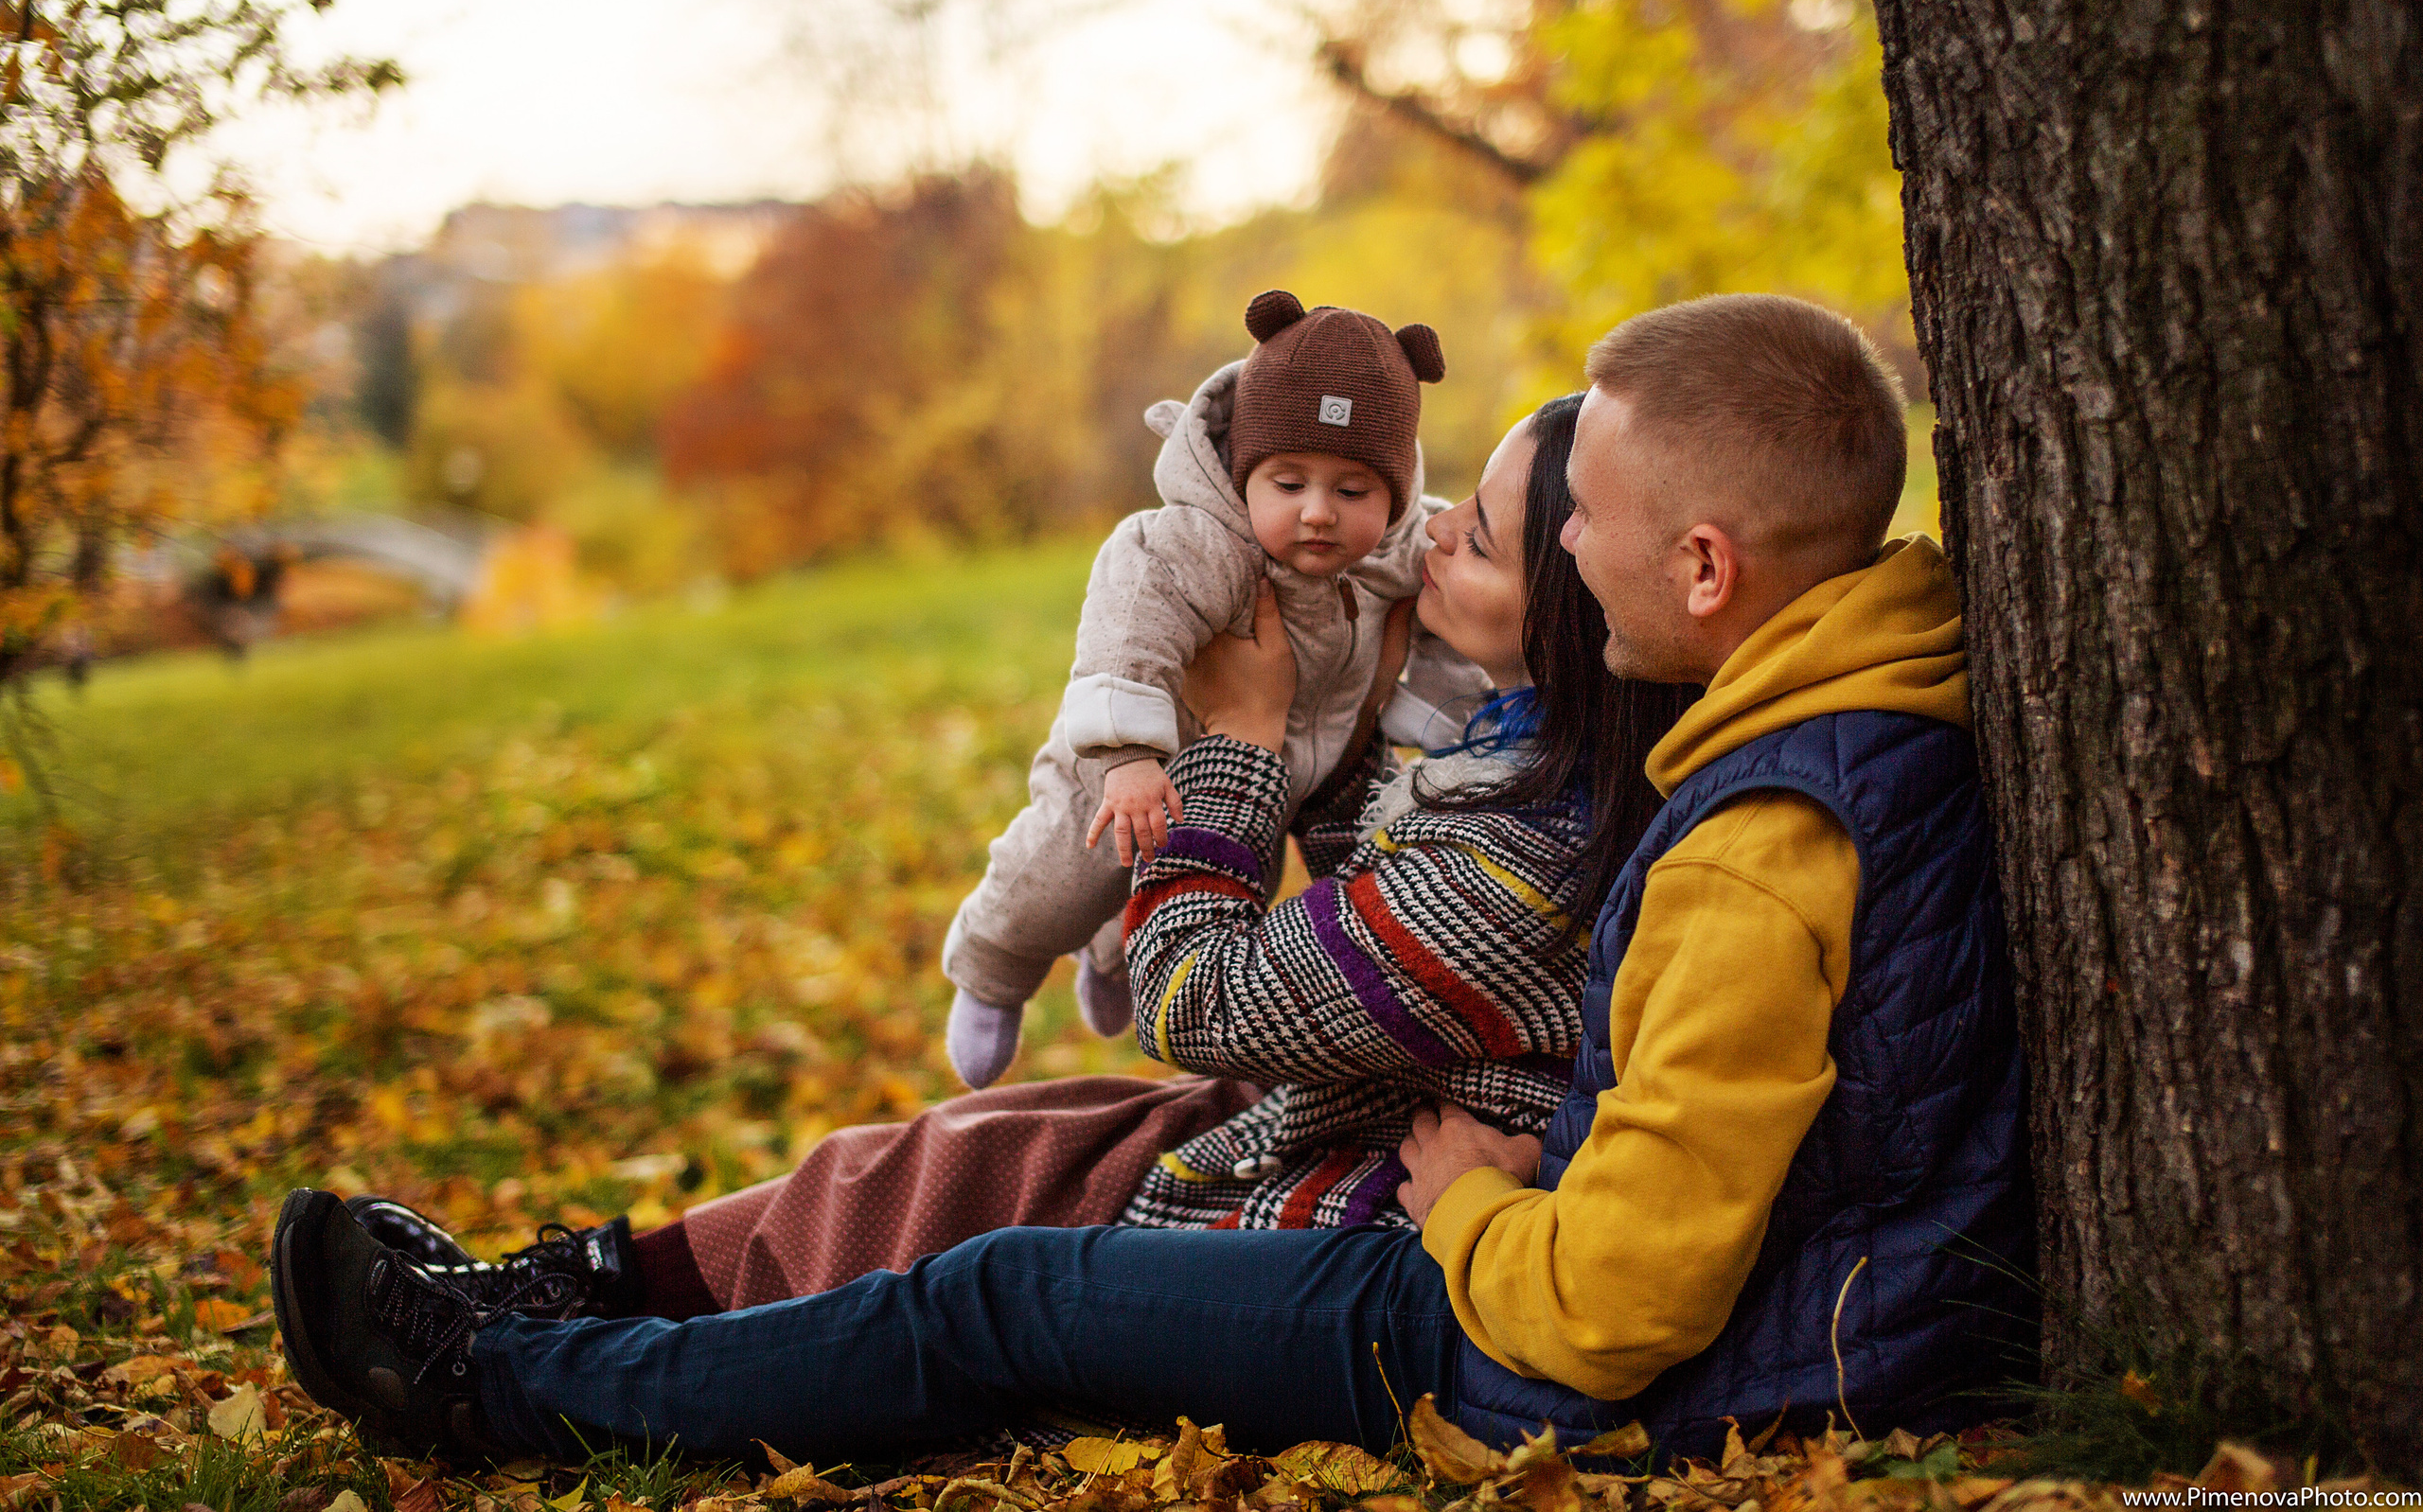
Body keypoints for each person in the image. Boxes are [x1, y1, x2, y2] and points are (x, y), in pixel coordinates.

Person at [270, 294, 2033, 1468]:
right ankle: (562, 1290)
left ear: (1702, 567)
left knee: (1004, 1291)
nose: (1483, 544)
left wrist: (1243, 759)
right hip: (1480, 1209)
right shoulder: (1809, 707)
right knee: (1010, 1143)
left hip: (1495, 1326)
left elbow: (1608, 1306)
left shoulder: (1741, 841)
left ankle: (493, 1387)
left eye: (1534, 529)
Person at [328, 395, 1689, 1323]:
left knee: (966, 1218)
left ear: (1568, 609)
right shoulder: (1509, 743)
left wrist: (1242, 736)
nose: (1435, 524)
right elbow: (1355, 908)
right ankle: (576, 1280)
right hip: (1345, 1117)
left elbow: (1194, 1002)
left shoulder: (1525, 862)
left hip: (1355, 1212)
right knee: (956, 1137)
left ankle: (537, 1352)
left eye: (1486, 534)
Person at [941, 287, 1491, 1090]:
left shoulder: (1402, 552)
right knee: (1063, 877)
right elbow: (1128, 628)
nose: (1316, 515)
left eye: (1351, 491)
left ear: (1398, 491)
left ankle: (1114, 954)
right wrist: (1127, 754)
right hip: (1137, 766)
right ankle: (991, 968)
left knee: (1225, 899)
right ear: (1244, 473)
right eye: (1288, 482)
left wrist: (1452, 719)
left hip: (1270, 783)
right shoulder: (1198, 545)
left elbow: (1450, 622)